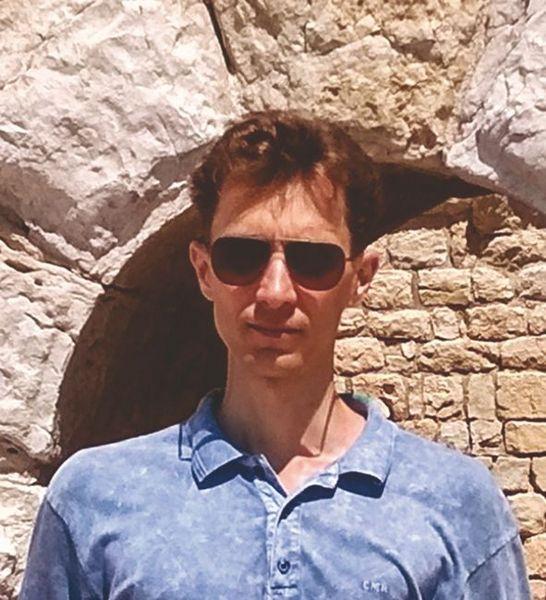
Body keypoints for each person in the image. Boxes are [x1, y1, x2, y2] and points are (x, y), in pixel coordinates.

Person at [20, 111, 530, 599]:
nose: (275, 292)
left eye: (312, 260)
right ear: (204, 271)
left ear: (360, 278)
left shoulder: (456, 506)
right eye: (242, 255)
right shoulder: (96, 499)